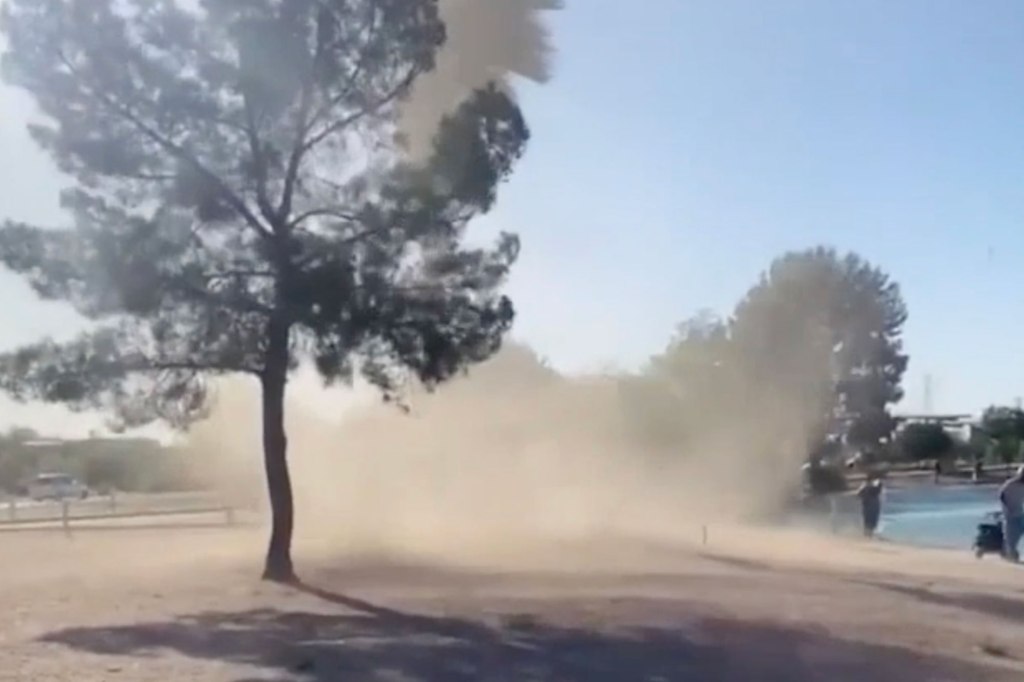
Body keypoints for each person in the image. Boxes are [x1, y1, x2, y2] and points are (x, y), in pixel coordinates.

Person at [998, 465, 1024, 561]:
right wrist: (1006, 506)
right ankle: (1009, 553)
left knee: (1018, 532)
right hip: (1009, 513)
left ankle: (1010, 551)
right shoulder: (1011, 484)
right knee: (1011, 535)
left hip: (1019, 512)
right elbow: (1001, 494)